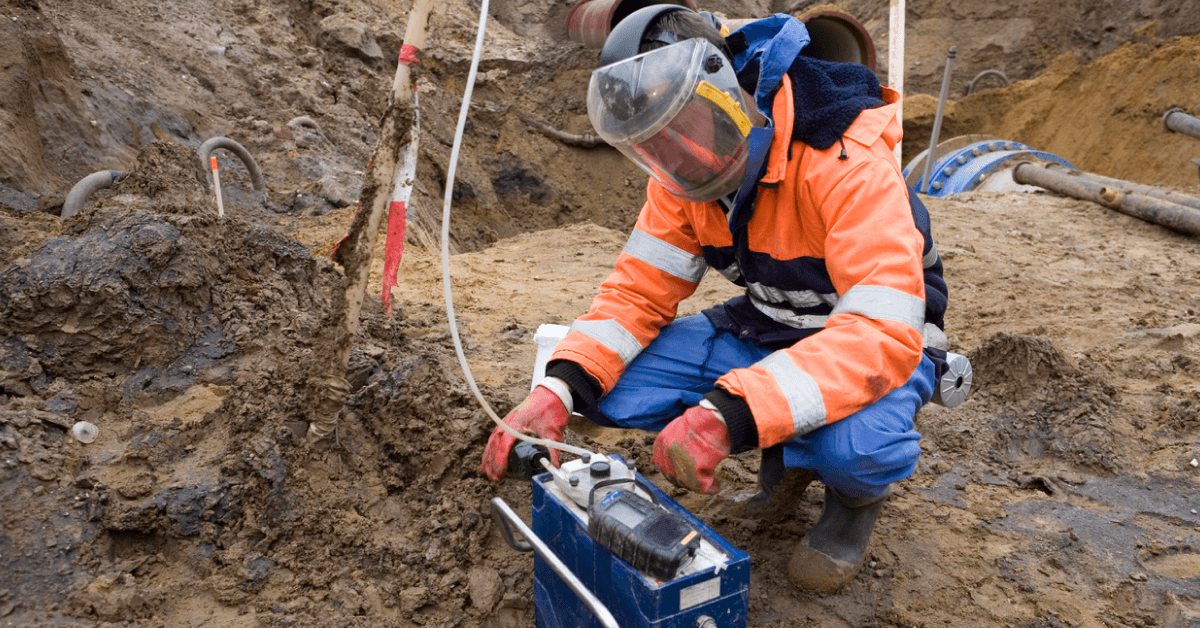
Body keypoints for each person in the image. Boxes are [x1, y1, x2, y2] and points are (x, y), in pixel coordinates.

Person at [481, 4, 950, 593]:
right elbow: (636, 294)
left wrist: (731, 415)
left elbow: (882, 333)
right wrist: (557, 389)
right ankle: (784, 456)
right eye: (654, 146)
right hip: (769, 323)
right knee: (604, 394)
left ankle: (850, 506)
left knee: (854, 450)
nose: (673, 159)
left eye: (681, 129)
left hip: (880, 345)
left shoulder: (845, 160)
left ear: (726, 92)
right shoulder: (681, 174)